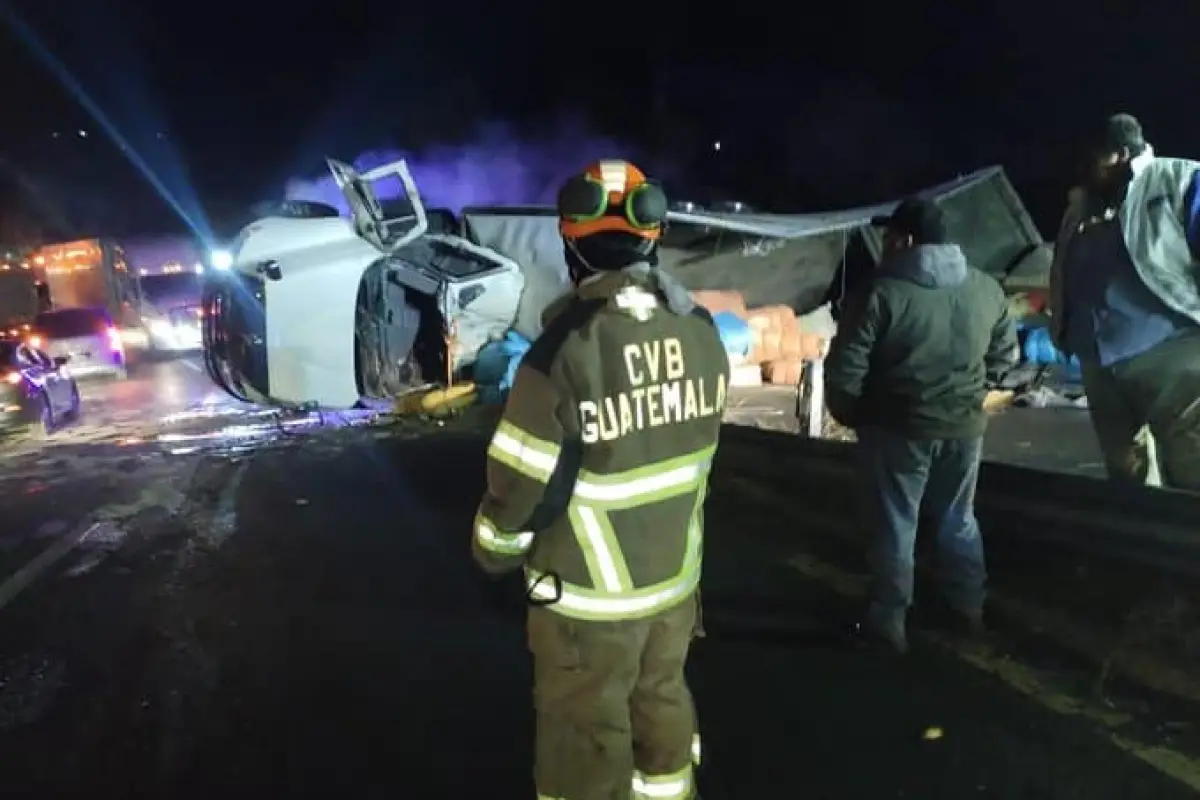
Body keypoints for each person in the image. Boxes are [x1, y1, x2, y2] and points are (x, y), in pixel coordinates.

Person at [471, 159, 728, 800]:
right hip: (672, 590)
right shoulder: (701, 335)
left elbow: (519, 489)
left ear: (572, 245)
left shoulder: (560, 351)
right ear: (653, 238)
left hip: (589, 603)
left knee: (585, 741)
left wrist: (491, 553)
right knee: (662, 710)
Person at [824, 197, 1017, 654]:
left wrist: (853, 416)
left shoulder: (880, 292)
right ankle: (967, 610)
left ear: (905, 240)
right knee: (959, 519)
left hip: (897, 429)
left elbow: (846, 370)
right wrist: (972, 393)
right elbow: (1006, 357)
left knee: (896, 524)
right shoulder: (986, 289)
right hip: (964, 429)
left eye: (890, 236)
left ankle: (889, 622)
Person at [1048, 113, 1200, 490]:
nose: (1082, 168)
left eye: (1091, 158)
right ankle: (1145, 546)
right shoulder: (1081, 206)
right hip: (1100, 365)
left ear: (1120, 154)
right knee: (1128, 475)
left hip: (1173, 356)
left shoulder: (1178, 180)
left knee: (1192, 464)